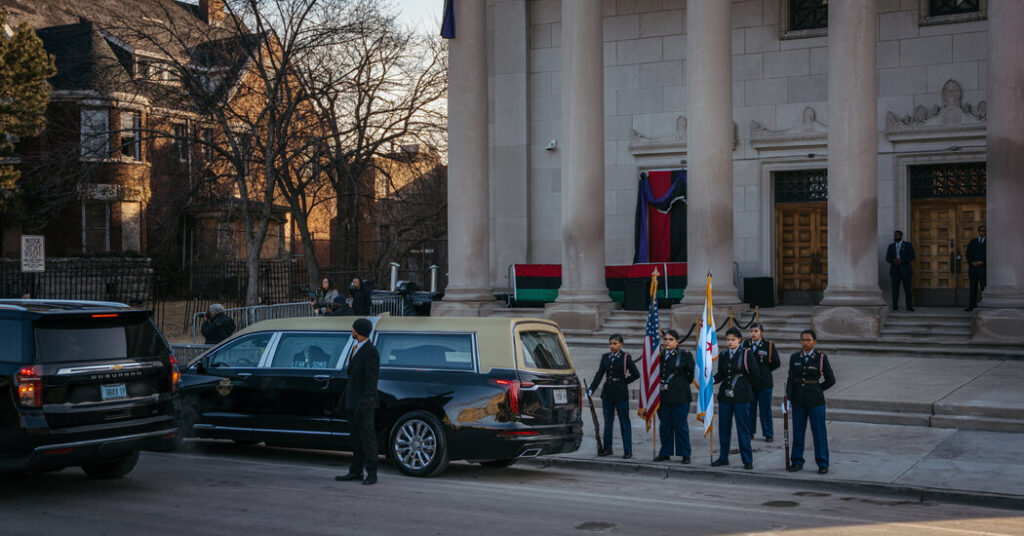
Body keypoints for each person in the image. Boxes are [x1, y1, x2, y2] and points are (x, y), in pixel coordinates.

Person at [335, 318, 380, 485]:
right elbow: (352, 378)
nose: (351, 330)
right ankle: (355, 471)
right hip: (352, 403)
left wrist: (365, 402)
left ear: (358, 330)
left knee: (367, 439)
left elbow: (371, 380)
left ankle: (372, 473)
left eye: (353, 328)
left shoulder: (370, 351)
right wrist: (343, 401)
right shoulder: (355, 348)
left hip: (364, 404)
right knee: (355, 439)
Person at [785, 329, 836, 475]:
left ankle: (823, 463)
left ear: (814, 342)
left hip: (815, 400)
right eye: (803, 340)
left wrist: (818, 389)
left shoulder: (820, 358)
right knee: (798, 431)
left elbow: (831, 379)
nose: (805, 343)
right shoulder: (795, 357)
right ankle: (796, 461)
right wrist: (788, 398)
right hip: (798, 399)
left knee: (819, 432)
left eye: (808, 340)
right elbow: (790, 379)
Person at [711, 327, 760, 470]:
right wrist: (712, 380)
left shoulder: (746, 354)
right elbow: (721, 373)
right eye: (728, 340)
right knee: (724, 428)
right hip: (725, 397)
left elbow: (755, 373)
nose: (730, 342)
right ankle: (723, 457)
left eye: (733, 339)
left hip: (741, 396)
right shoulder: (724, 354)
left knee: (742, 428)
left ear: (739, 340)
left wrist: (743, 385)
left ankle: (747, 459)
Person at [588, 334, 639, 459]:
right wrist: (591, 389)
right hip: (608, 393)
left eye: (615, 343)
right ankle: (607, 448)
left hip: (621, 393)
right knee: (608, 422)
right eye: (610, 343)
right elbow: (599, 374)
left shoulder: (626, 357)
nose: (612, 346)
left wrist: (624, 382)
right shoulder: (605, 357)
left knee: (624, 422)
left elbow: (636, 374)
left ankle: (628, 450)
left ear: (621, 344)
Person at [653, 329, 694, 464]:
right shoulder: (659, 355)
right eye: (665, 339)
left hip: (680, 396)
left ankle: (685, 453)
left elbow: (691, 374)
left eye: (670, 339)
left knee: (680, 426)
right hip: (663, 396)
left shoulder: (684, 355)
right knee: (665, 426)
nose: (667, 342)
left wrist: (679, 384)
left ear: (677, 341)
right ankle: (665, 452)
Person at [744, 323, 781, 442]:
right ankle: (750, 431)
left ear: (761, 332)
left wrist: (764, 371)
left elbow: (776, 362)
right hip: (750, 382)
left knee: (765, 409)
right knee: (750, 408)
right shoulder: (746, 344)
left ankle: (768, 433)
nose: (753, 333)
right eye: (751, 331)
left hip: (764, 382)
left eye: (756, 331)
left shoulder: (768, 345)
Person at [885, 230, 916, 311]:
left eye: (897, 235)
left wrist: (902, 260)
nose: (895, 237)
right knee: (895, 289)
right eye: (895, 235)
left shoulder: (908, 245)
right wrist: (894, 261)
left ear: (901, 236)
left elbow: (912, 256)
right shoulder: (891, 246)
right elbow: (887, 258)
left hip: (905, 270)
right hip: (894, 270)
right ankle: (895, 306)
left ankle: (909, 306)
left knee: (907, 289)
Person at [966, 225, 987, 311]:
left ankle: (985, 305)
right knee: (972, 288)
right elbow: (968, 254)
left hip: (983, 269)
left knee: (983, 288)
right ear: (978, 231)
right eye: (981, 230)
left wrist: (982, 262)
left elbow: (991, 255)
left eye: (984, 231)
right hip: (973, 269)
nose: (983, 232)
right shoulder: (973, 242)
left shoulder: (988, 243)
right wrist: (972, 262)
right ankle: (971, 306)